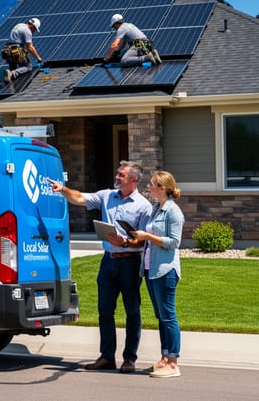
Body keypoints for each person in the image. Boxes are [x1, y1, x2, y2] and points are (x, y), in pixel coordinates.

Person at [47, 161, 152, 374]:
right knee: (104, 310)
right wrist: (62, 189)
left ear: (133, 180)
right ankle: (106, 357)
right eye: (117, 173)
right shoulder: (107, 196)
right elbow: (79, 198)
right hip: (108, 261)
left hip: (130, 263)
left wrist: (124, 242)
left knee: (132, 311)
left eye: (121, 175)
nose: (117, 176)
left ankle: (129, 359)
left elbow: (144, 241)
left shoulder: (143, 206)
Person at [132, 170, 184, 378]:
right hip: (150, 270)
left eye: (152, 183)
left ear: (162, 188)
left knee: (168, 316)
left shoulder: (173, 211)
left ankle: (173, 362)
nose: (149, 186)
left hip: (165, 270)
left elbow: (174, 242)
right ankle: (164, 357)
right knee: (161, 316)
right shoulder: (156, 209)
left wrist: (148, 236)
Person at [2, 17, 43, 83]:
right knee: (28, 67)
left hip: (6, 51)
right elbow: (30, 47)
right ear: (33, 26)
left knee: (13, 68)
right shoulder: (27, 31)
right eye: (35, 29)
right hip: (16, 51)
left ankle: (9, 75)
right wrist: (38, 58)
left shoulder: (19, 25)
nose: (34, 31)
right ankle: (12, 73)